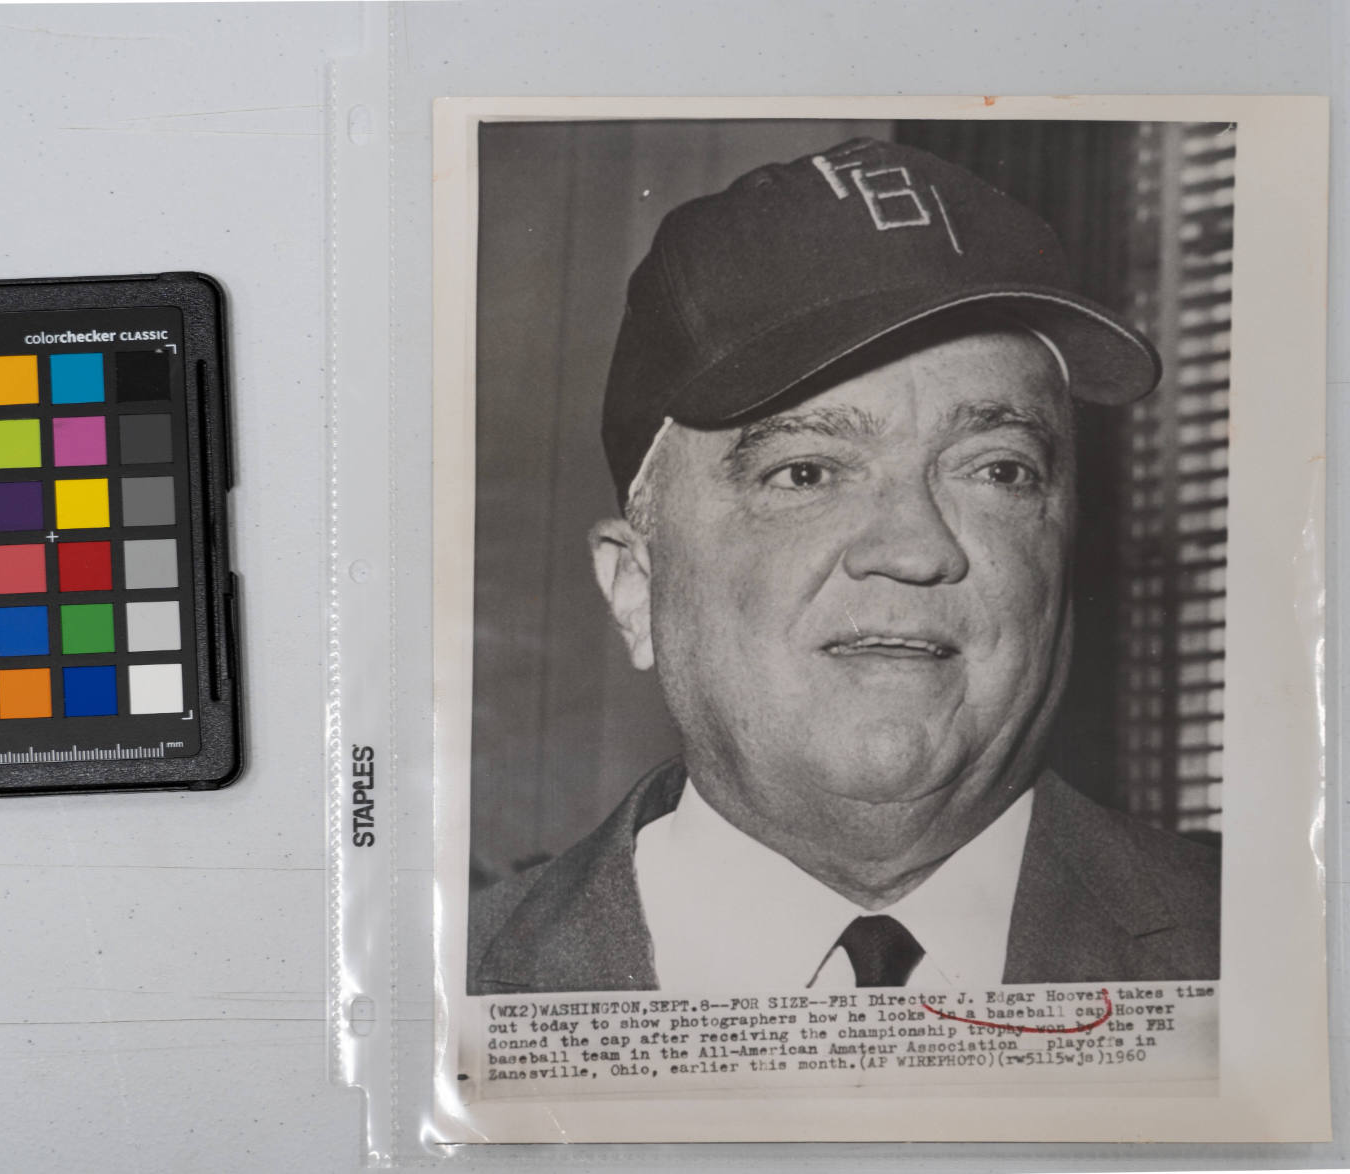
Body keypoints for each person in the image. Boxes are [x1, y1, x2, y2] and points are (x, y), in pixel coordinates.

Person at [468, 138, 1219, 994]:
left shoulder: (1277, 959)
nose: (916, 548)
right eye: (807, 473)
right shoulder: (456, 992)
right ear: (636, 589)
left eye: (998, 470)